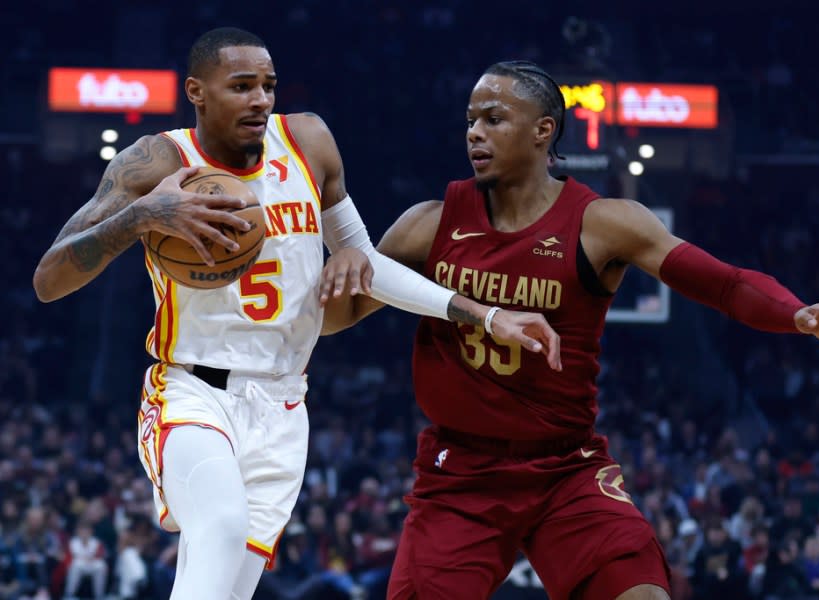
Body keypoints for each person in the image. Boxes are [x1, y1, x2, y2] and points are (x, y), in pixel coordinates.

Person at [31, 30, 560, 600]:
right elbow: (49, 279)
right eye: (241, 86)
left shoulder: (306, 141)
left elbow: (367, 265)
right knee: (221, 529)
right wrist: (142, 215)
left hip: (284, 407)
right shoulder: (158, 161)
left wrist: (483, 315)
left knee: (223, 585)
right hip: (192, 392)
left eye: (268, 86)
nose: (260, 99)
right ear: (197, 92)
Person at [332, 60, 819, 599]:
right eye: (471, 120)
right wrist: (315, 275)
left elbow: (724, 284)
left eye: (494, 119)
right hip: (461, 475)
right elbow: (342, 315)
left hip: (565, 468)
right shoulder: (430, 222)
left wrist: (796, 313)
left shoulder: (604, 223)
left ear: (544, 130)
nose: (474, 131)